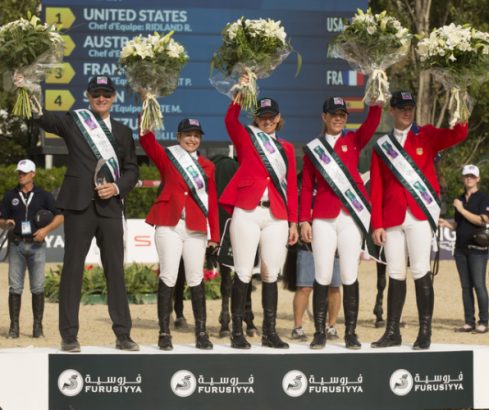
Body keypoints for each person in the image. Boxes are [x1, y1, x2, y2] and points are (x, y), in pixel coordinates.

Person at [16, 75, 140, 352]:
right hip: (78, 206)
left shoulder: (122, 131)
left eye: (106, 93)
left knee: (115, 272)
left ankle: (123, 334)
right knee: (72, 271)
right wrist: (26, 90)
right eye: (96, 93)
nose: (101, 98)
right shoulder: (74, 121)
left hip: (109, 208)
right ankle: (69, 336)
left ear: (113, 97)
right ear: (88, 96)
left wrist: (118, 187)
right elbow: (43, 118)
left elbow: (132, 169)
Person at [370, 90, 468, 350]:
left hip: (419, 215)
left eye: (410, 107)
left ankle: (425, 332)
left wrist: (461, 104)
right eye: (402, 107)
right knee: (395, 273)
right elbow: (377, 187)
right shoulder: (382, 146)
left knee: (421, 271)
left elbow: (459, 134)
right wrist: (377, 223)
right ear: (391, 111)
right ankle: (392, 331)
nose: (407, 111)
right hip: (392, 216)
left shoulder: (427, 134)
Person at [219, 73, 299, 349]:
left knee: (270, 274)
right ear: (256, 118)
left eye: (271, 116)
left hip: (276, 215)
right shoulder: (245, 137)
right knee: (242, 272)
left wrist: (293, 222)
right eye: (262, 116)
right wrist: (242, 91)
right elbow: (230, 120)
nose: (267, 120)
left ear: (278, 118)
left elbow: (290, 188)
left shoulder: (287, 147)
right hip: (247, 211)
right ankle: (237, 333)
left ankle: (270, 332)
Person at [300, 96, 382, 349]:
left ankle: (351, 333)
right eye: (334, 114)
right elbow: (305, 186)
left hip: (351, 216)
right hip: (323, 217)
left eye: (343, 115)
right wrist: (304, 219)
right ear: (324, 117)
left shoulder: (354, 140)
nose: (338, 118)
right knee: (323, 275)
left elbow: (373, 120)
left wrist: (377, 97)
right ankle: (319, 333)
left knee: (349, 274)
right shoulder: (313, 148)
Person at [138, 103, 220, 350]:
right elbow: (145, 138)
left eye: (196, 135)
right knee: (168, 275)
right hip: (169, 223)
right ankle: (164, 333)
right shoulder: (167, 155)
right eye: (187, 135)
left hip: (196, 228)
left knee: (196, 278)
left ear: (200, 138)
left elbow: (212, 202)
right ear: (178, 137)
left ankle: (202, 333)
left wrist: (214, 235)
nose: (192, 139)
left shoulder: (208, 166)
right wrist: (147, 105)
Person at [0, 159, 64, 339]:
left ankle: (37, 328)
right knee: (15, 288)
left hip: (37, 246)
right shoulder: (9, 196)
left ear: (33, 174)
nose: (21, 175)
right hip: (16, 245)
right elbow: (1, 219)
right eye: (19, 172)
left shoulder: (44, 196)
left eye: (25, 172)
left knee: (37, 287)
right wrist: (6, 223)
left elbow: (60, 217)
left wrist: (45, 230)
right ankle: (14, 328)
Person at [208, 153, 259, 338]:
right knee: (245, 273)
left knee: (226, 275)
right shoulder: (244, 168)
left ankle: (225, 320)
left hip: (222, 222)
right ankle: (248, 318)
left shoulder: (214, 167)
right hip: (242, 219)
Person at [439, 164, 489, 334]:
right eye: (466, 176)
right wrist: (446, 224)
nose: (469, 178)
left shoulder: (484, 198)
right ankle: (469, 322)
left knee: (479, 286)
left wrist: (461, 209)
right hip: (460, 248)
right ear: (462, 178)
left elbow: (482, 221)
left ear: (478, 179)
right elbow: (458, 225)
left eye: (472, 176)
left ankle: (484, 322)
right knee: (466, 287)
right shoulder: (460, 199)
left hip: (478, 249)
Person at [292, 252, 342, 342]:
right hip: (308, 247)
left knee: (334, 287)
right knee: (305, 287)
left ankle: (331, 326)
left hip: (334, 247)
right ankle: (297, 327)